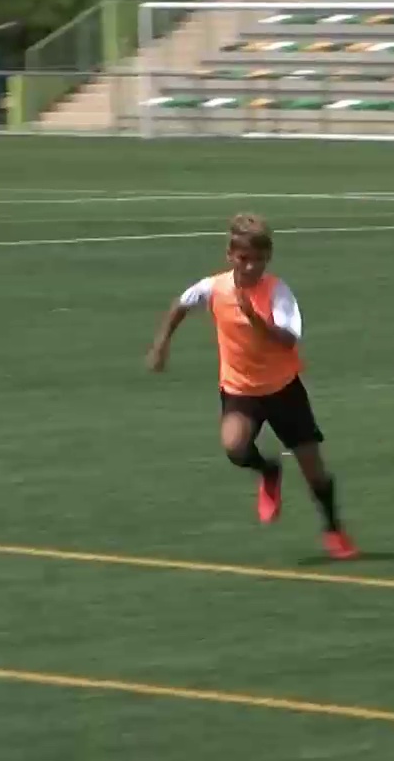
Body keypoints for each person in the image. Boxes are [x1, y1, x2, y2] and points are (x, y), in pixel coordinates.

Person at [147, 214, 357, 560]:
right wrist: (161, 345)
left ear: (267, 259)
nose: (250, 267)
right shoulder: (214, 288)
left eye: (258, 260)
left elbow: (289, 339)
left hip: (284, 391)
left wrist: (258, 320)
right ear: (231, 255)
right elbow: (182, 304)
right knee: (234, 446)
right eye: (244, 259)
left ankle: (334, 529)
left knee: (314, 470)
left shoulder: (277, 291)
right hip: (240, 390)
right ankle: (268, 470)